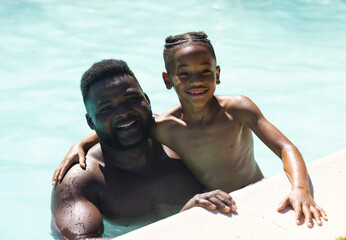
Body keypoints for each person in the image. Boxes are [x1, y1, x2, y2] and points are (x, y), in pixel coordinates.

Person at [53, 32, 327, 229]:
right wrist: (83, 143)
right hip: (214, 211)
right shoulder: (165, 129)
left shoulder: (236, 109)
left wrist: (301, 188)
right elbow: (124, 127)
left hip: (254, 194)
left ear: (218, 73)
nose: (196, 81)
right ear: (168, 80)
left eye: (205, 71)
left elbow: (285, 146)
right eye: (184, 74)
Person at [51, 59, 237, 240]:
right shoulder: (81, 180)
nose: (123, 112)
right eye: (107, 108)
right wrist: (182, 220)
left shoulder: (181, 142)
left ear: (147, 100)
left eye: (132, 99)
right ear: (90, 121)